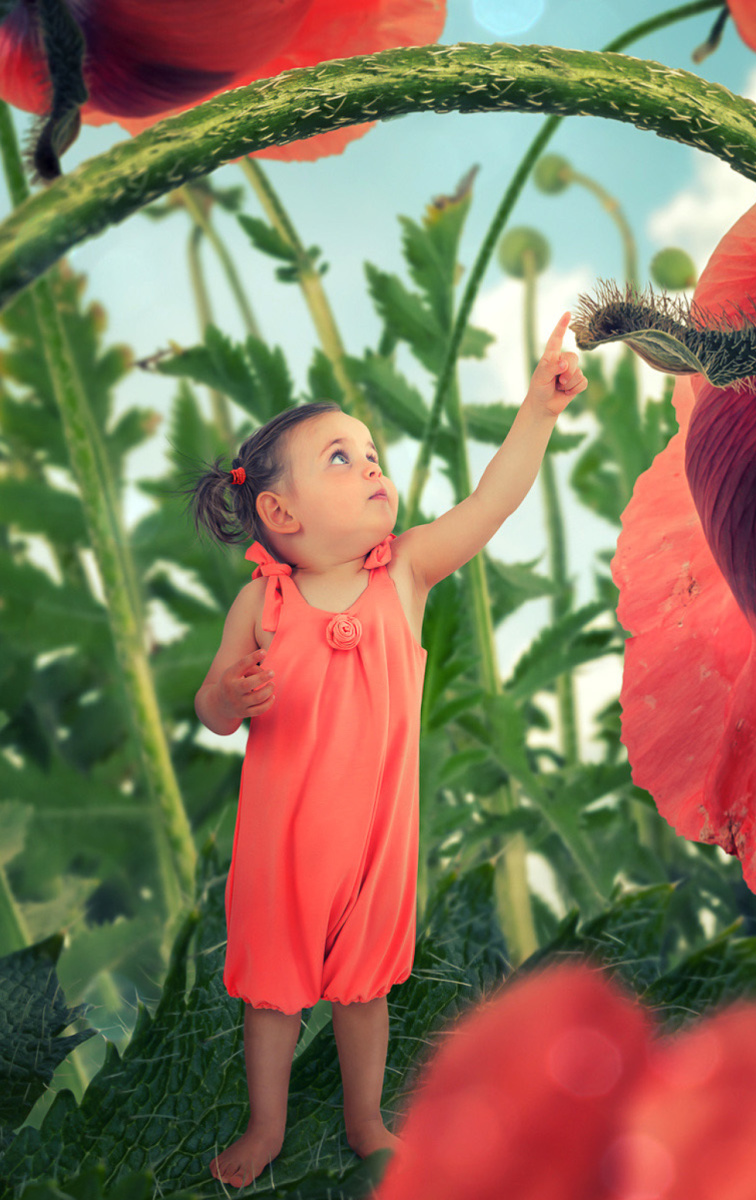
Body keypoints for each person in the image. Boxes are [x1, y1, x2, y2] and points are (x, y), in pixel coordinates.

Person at [186, 315, 586, 1189]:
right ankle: (266, 1126)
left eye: (371, 452)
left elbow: (491, 503)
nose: (372, 464)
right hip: (280, 851)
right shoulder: (262, 606)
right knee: (272, 996)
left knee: (366, 991)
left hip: (374, 848)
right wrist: (232, 695)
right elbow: (210, 707)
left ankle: (366, 1118)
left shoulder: (402, 572)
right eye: (340, 456)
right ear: (277, 511)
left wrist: (536, 415)